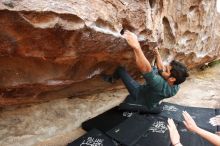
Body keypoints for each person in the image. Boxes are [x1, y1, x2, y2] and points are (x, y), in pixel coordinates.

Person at [103, 30, 189, 113]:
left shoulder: (160, 86)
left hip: (139, 94)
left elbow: (146, 69)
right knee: (156, 70)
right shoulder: (176, 85)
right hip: (151, 99)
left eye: (167, 70)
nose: (164, 68)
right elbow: (161, 69)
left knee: (120, 70)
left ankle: (112, 79)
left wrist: (136, 47)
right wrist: (157, 53)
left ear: (172, 79)